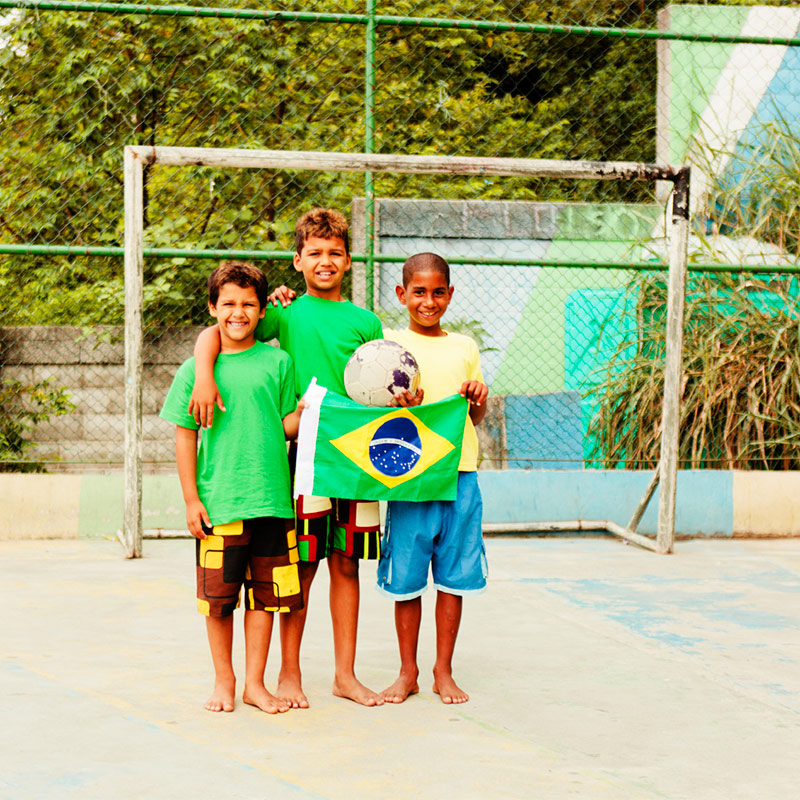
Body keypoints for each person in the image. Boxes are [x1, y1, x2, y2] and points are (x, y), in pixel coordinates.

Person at [189, 208, 385, 708]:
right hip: (304, 455)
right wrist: (205, 377)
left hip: (358, 458)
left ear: (348, 261)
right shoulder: (284, 313)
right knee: (299, 566)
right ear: (297, 261)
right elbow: (218, 330)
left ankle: (345, 675)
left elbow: (381, 379)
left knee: (347, 564)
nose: (325, 261)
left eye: (335, 253)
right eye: (314, 253)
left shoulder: (366, 322)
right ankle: (289, 673)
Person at [159, 261, 304, 715]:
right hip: (220, 503)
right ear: (212, 307)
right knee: (219, 601)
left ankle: (255, 685)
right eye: (228, 304)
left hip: (273, 502)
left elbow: (285, 426)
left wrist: (315, 409)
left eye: (248, 304)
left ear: (263, 312)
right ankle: (225, 680)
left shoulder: (279, 362)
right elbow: (185, 433)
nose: (237, 312)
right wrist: (191, 499)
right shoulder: (195, 369)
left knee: (266, 599)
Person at [378, 252, 489, 705]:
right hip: (411, 478)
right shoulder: (388, 346)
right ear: (402, 295)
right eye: (418, 292)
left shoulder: (464, 347)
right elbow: (376, 410)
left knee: (454, 578)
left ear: (450, 294)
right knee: (405, 579)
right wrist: (398, 404)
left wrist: (479, 397)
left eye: (437, 292)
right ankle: (409, 671)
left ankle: (444, 670)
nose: (429, 301)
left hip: (460, 474)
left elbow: (475, 416)